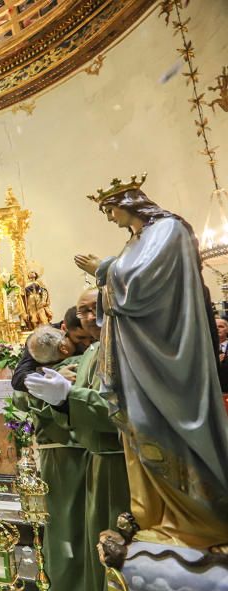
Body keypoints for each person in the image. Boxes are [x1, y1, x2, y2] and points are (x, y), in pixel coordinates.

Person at [76, 180, 228, 550]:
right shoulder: (135, 240)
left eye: (110, 210)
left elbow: (142, 289)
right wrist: (109, 273)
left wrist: (104, 270)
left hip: (165, 357)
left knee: (160, 428)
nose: (111, 219)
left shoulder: (168, 230)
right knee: (139, 430)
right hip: (137, 359)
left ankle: (197, 522)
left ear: (129, 202)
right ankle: (154, 516)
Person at [26, 288, 131, 591]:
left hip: (120, 462)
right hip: (94, 460)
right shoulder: (92, 351)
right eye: (81, 310)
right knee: (91, 545)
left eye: (93, 308)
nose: (87, 316)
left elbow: (122, 410)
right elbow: (73, 405)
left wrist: (67, 399)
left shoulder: (126, 346)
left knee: (113, 544)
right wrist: (60, 399)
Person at [11, 307, 92, 392]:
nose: (88, 343)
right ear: (64, 329)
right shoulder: (41, 340)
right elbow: (19, 379)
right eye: (80, 338)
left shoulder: (97, 331)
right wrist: (53, 376)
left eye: (91, 338)